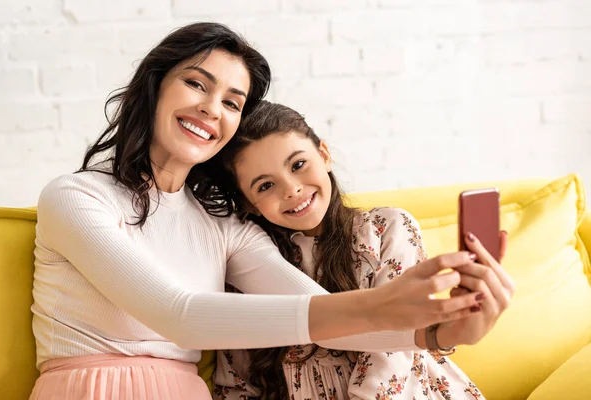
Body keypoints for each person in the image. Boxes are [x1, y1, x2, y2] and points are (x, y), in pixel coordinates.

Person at [29, 22, 512, 400]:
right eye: (197, 84)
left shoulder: (226, 229)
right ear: (154, 86)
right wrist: (379, 302)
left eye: (232, 102)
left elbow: (335, 329)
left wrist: (442, 331)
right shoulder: (74, 198)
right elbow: (180, 316)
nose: (212, 109)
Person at [211, 101, 514, 399]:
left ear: (324, 155)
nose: (291, 189)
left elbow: (391, 354)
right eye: (265, 186)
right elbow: (236, 383)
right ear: (249, 202)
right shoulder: (249, 266)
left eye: (298, 165)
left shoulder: (385, 228)